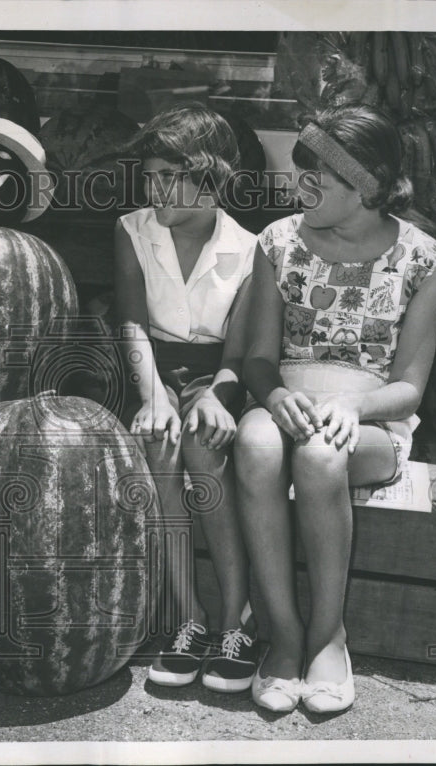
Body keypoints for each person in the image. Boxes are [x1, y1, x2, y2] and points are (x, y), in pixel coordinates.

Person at [235, 103, 436, 713]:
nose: (300, 188)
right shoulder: (277, 243)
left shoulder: (424, 259)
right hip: (288, 400)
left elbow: (409, 386)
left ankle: (329, 636)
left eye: (317, 179)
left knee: (322, 457)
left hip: (374, 413)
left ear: (367, 186)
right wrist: (275, 396)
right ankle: (284, 635)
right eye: (299, 174)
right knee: (255, 445)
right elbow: (257, 358)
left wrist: (353, 407)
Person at [114, 103, 259, 693]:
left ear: (211, 178)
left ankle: (236, 620)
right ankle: (188, 618)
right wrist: (153, 395)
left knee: (203, 448)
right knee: (159, 446)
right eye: (149, 177)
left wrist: (218, 397)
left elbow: (240, 355)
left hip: (217, 377)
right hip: (148, 367)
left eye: (169, 178)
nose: (155, 190)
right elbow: (131, 325)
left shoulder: (251, 249)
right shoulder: (132, 229)